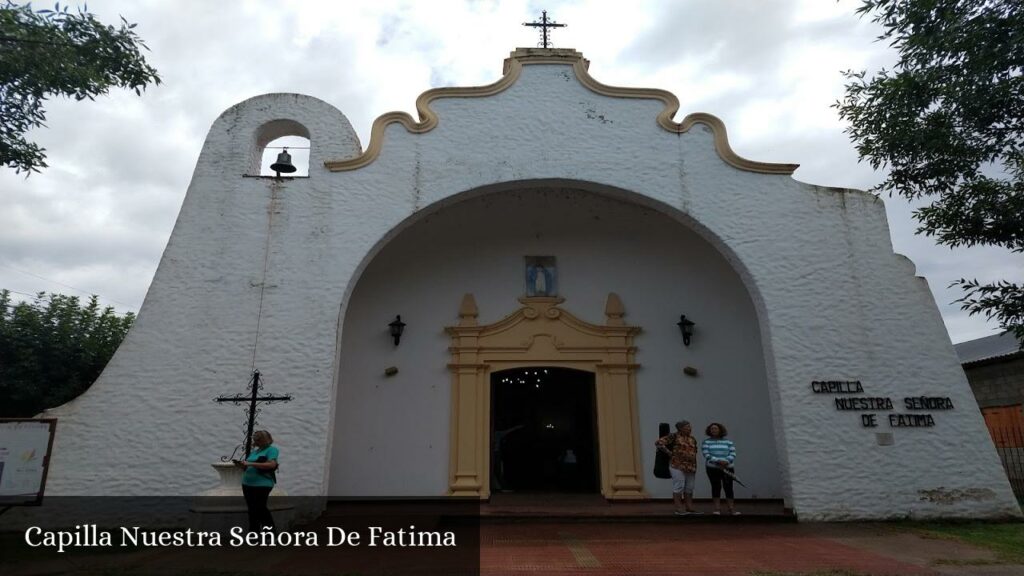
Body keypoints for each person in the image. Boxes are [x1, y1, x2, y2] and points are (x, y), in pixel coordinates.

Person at [234, 429, 279, 531]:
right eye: (256, 441)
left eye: (259, 440)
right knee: (252, 510)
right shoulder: (255, 452)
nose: (257, 443)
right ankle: (253, 534)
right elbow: (248, 466)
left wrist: (250, 464)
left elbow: (271, 464)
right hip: (247, 484)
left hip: (262, 484)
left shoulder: (272, 450)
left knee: (261, 509)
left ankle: (270, 534)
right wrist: (242, 466)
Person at [656, 420, 698, 515]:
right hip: (677, 465)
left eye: (690, 427)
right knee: (679, 486)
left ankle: (689, 507)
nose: (689, 428)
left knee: (690, 487)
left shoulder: (692, 439)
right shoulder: (673, 436)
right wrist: (669, 453)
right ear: (680, 428)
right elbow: (659, 443)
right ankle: (679, 508)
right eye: (687, 427)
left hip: (691, 466)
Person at [701, 422, 739, 515]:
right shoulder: (706, 442)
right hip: (713, 468)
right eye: (712, 429)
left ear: (720, 430)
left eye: (716, 428)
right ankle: (717, 509)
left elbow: (733, 453)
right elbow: (706, 454)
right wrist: (718, 461)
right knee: (716, 487)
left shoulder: (728, 442)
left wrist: (726, 461)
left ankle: (731, 508)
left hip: (728, 468)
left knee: (728, 487)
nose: (714, 430)